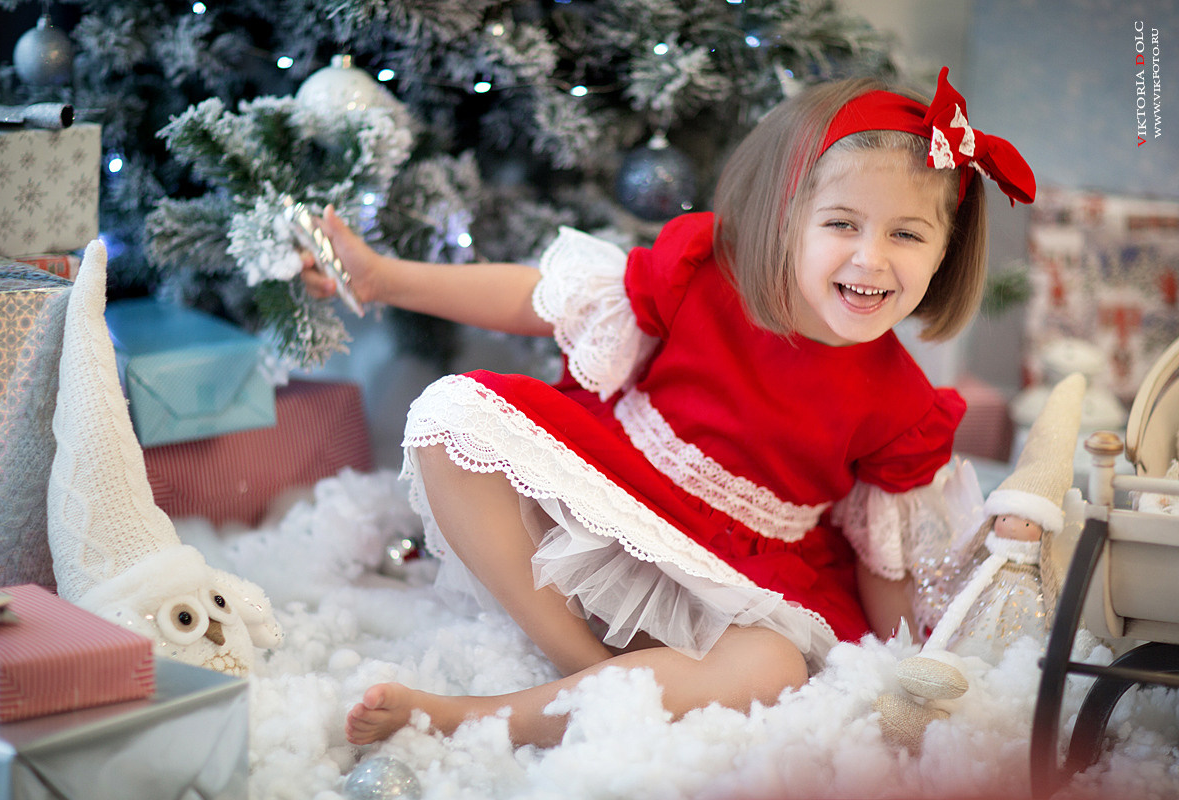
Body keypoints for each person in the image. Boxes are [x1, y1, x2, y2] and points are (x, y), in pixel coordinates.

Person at [301, 67, 1036, 749]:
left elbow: (886, 566)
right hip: (613, 489)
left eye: (907, 234)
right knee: (452, 421)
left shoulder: (907, 407)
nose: (872, 259)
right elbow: (536, 299)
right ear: (784, 220)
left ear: (944, 252)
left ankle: (480, 717)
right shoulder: (702, 271)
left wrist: (913, 672)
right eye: (842, 223)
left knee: (772, 668)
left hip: (738, 575)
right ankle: (583, 666)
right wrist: (382, 277)